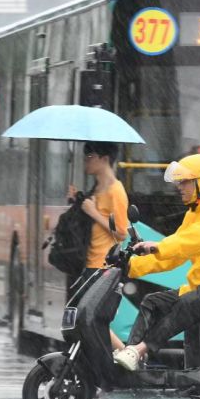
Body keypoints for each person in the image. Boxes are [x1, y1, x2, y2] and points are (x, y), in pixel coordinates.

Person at [113, 154, 200, 371]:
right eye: (179, 182)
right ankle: (132, 358)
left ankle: (140, 349)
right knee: (152, 302)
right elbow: (176, 256)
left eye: (185, 181)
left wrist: (158, 246)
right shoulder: (193, 215)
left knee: (187, 304)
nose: (180, 187)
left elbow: (192, 242)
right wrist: (132, 266)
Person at [68, 141, 129, 351]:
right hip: (91, 264)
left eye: (90, 156)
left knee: (91, 320)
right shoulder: (97, 189)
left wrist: (93, 212)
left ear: (104, 159)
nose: (85, 161)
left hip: (104, 266)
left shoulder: (116, 191)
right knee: (81, 318)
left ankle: (129, 356)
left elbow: (122, 231)